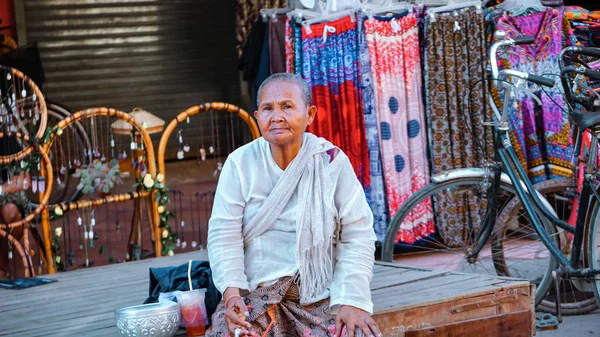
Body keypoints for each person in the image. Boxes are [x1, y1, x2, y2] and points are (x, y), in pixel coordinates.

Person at [207, 73, 379, 337]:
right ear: (257, 116)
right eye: (267, 108)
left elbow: (358, 235)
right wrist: (232, 297)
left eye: (287, 106)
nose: (276, 116)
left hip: (318, 295)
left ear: (310, 114)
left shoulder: (331, 162)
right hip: (254, 295)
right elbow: (223, 236)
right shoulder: (239, 163)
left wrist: (352, 300)